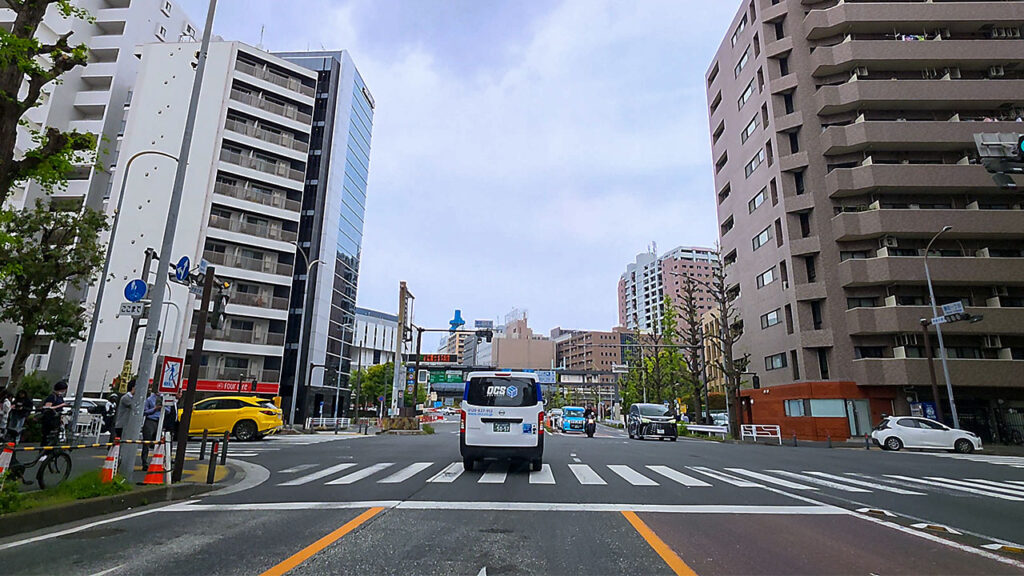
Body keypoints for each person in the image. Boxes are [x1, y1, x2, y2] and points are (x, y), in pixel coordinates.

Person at [40, 380, 69, 445]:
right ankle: (44, 452)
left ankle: (50, 452)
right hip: (49, 419)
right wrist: (61, 405)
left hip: (56, 419)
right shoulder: (52, 396)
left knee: (55, 436)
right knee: (47, 437)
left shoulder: (60, 397)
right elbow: (47, 407)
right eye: (63, 390)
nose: (63, 392)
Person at [141, 389, 161, 466]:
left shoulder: (163, 398)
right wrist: (154, 409)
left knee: (159, 443)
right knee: (147, 442)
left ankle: (157, 462)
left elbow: (168, 410)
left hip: (160, 421)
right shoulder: (149, 399)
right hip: (150, 421)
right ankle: (144, 462)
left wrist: (162, 408)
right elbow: (145, 411)